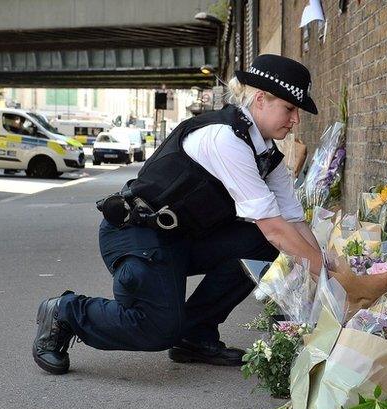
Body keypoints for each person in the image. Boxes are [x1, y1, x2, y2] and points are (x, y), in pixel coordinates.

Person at [32, 54, 366, 375]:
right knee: (157, 328)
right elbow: (275, 228)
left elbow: (293, 221)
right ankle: (65, 312)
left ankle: (195, 335)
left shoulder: (267, 154)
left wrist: (326, 265)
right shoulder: (225, 139)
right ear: (261, 100)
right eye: (290, 109)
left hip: (181, 239)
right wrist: (339, 282)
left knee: (257, 243)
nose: (295, 120)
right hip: (137, 236)